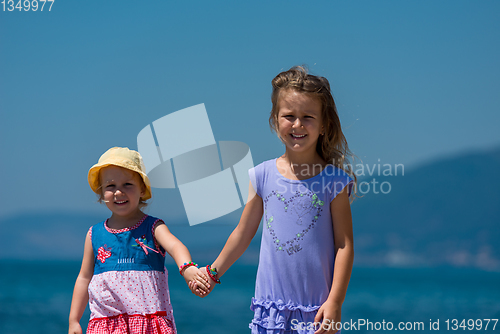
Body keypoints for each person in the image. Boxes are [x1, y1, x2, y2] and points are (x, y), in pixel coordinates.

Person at [194, 66, 357, 334]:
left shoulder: (334, 181)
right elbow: (243, 233)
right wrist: (213, 273)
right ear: (275, 120)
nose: (297, 124)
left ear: (324, 124)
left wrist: (335, 302)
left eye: (308, 117)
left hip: (316, 311)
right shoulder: (262, 175)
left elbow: (344, 245)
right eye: (289, 116)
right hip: (270, 310)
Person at [69, 147, 210, 334]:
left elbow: (176, 246)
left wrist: (187, 268)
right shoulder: (94, 234)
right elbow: (84, 277)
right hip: (105, 324)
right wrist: (74, 320)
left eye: (127, 184)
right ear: (101, 192)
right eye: (110, 186)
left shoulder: (153, 227)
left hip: (148, 323)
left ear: (142, 189)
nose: (119, 192)